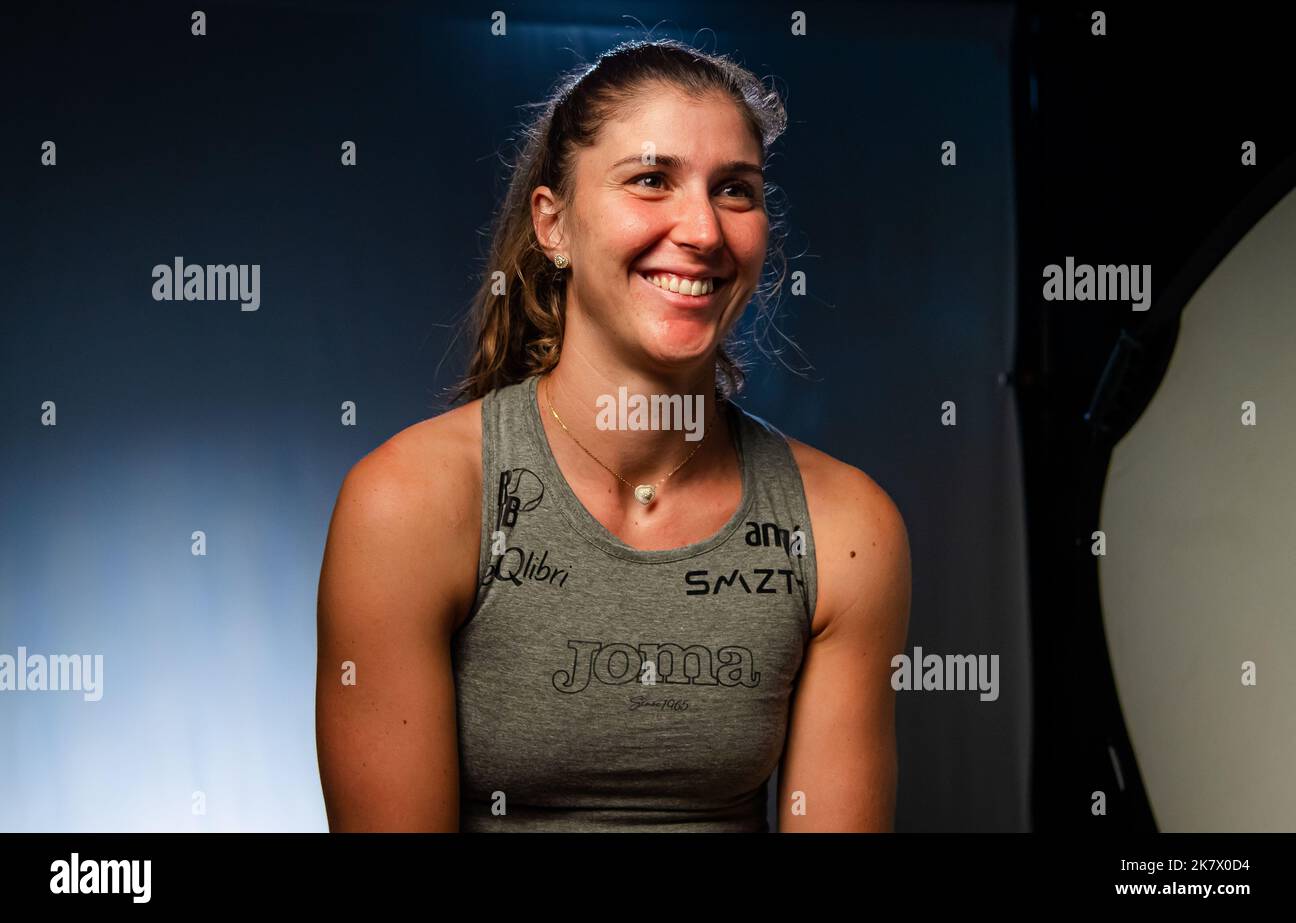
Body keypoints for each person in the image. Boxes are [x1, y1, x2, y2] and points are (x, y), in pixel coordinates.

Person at [316, 38, 911, 832]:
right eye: (652, 180)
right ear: (552, 225)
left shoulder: (844, 528)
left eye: (735, 190)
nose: (702, 229)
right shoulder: (408, 504)